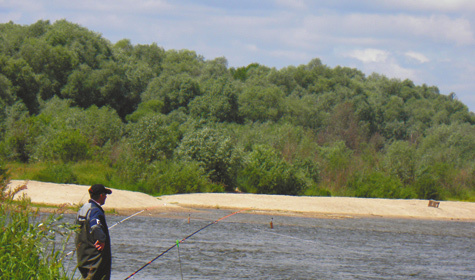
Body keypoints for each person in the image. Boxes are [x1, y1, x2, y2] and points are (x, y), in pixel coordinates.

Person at [75, 184, 112, 280]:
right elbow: (95, 226)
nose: (106, 197)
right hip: (95, 259)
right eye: (105, 195)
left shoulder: (83, 209)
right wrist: (101, 239)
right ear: (101, 195)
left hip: (83, 256)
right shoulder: (95, 210)